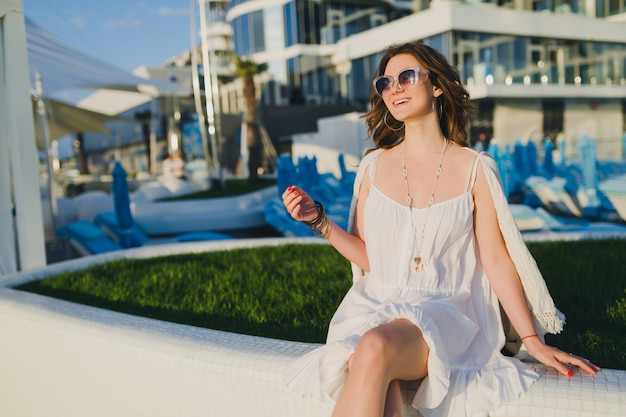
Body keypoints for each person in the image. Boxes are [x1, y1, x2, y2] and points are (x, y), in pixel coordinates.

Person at [281, 41, 599, 417]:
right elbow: (371, 257)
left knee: (372, 349)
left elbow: (495, 258)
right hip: (375, 307)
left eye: (406, 76)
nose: (394, 88)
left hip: (444, 312)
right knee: (383, 380)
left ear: (436, 85)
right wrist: (318, 220)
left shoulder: (474, 168)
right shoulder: (372, 168)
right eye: (385, 82)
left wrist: (532, 338)